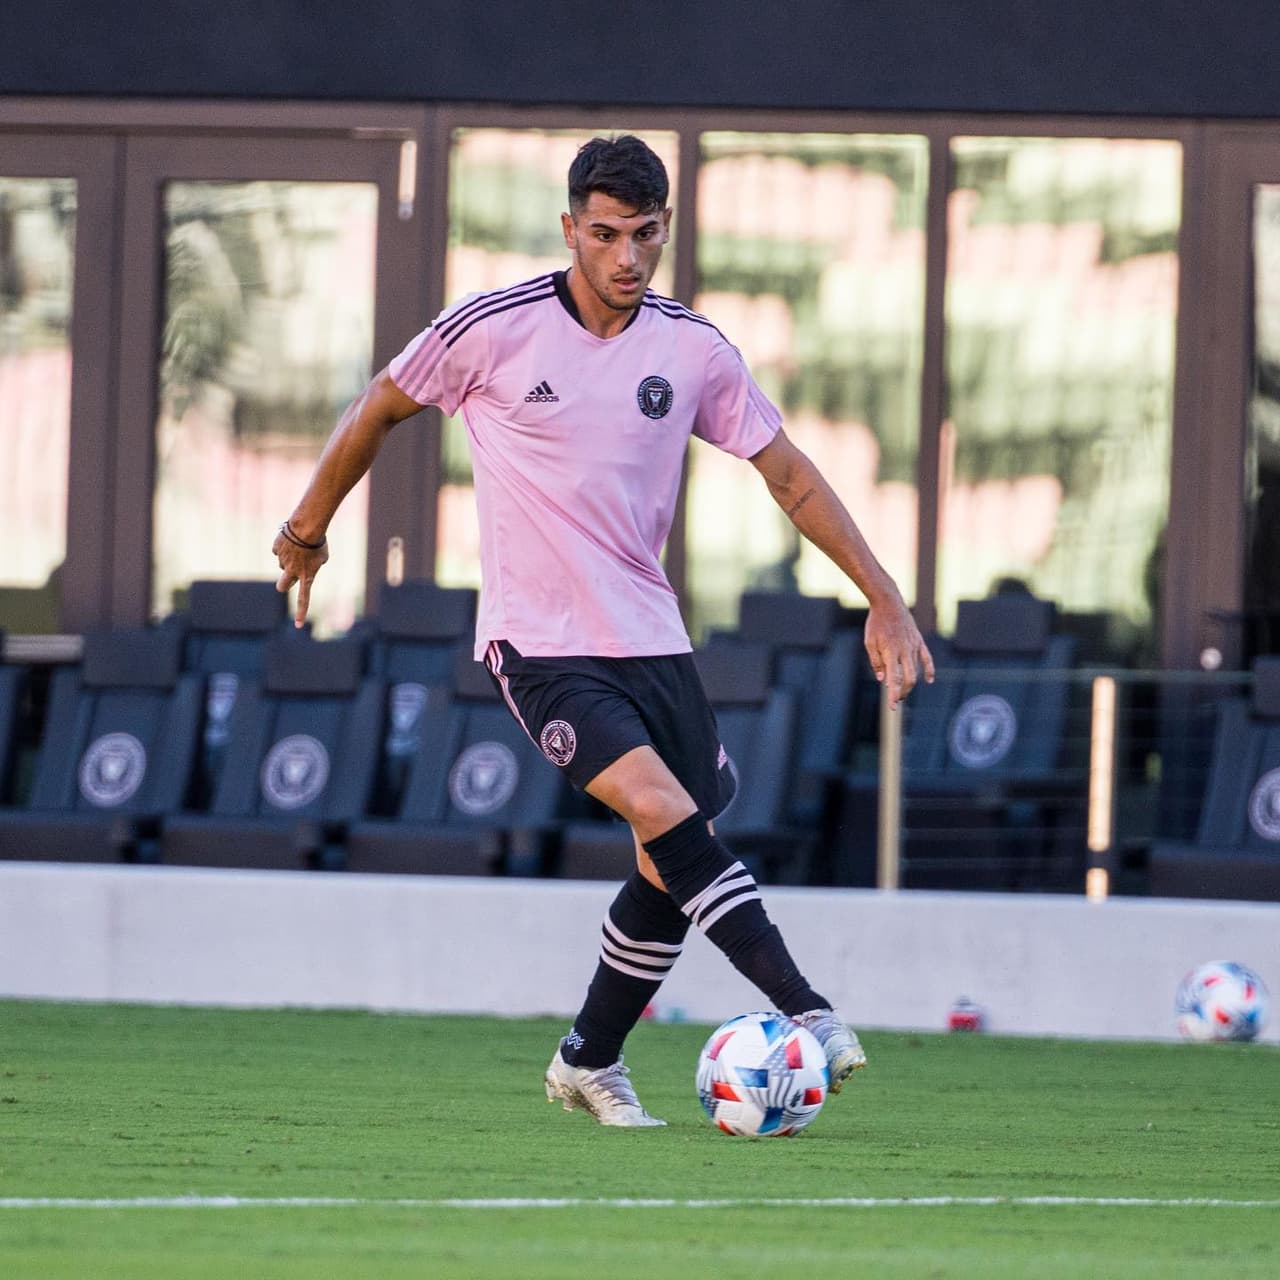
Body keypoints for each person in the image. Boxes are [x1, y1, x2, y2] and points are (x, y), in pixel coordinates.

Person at [273, 134, 935, 1127]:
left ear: (665, 229)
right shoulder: (492, 331)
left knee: (670, 851)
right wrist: (306, 527)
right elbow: (378, 405)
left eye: (646, 234)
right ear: (569, 231)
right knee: (670, 815)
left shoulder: (691, 349)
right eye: (606, 234)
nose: (627, 255)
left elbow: (786, 473)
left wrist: (883, 594)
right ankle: (806, 1008)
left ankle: (586, 1057)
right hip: (539, 643)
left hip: (652, 638)